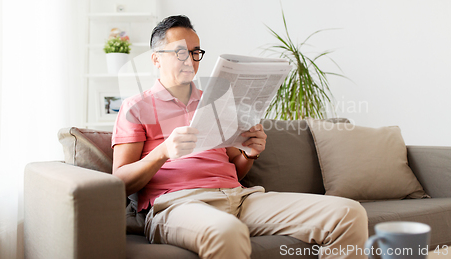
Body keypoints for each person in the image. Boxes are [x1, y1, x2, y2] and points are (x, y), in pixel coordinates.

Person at [112, 15, 368, 259]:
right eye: (180, 52)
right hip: (177, 204)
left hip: (240, 197)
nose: (190, 60)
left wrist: (249, 153)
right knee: (226, 231)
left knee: (348, 213)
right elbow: (119, 181)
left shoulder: (216, 102)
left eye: (195, 52)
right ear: (156, 59)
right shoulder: (136, 107)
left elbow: (236, 168)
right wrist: (164, 151)